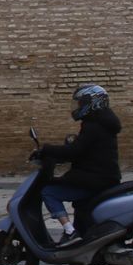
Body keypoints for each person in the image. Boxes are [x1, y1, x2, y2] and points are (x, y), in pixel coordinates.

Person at [35, 83, 121, 249]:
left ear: (93, 102)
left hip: (93, 179)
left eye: (81, 102)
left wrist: (46, 149)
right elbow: (84, 151)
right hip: (104, 178)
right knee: (81, 212)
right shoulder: (104, 123)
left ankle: (69, 231)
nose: (78, 106)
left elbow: (75, 151)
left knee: (48, 191)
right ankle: (77, 263)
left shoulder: (94, 126)